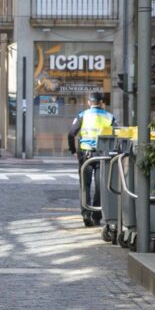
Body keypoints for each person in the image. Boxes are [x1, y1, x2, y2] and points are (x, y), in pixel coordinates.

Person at [68, 91, 117, 228]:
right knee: (101, 185)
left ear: (89, 102)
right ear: (101, 103)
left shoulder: (82, 115)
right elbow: (116, 134)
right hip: (103, 155)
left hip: (85, 155)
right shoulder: (110, 117)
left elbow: (71, 133)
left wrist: (73, 150)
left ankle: (86, 213)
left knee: (85, 185)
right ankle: (97, 216)